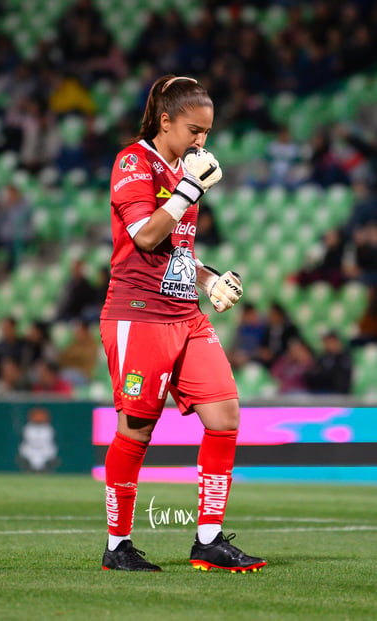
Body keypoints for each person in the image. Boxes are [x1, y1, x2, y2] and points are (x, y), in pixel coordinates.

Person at [99, 74, 266, 573]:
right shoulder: (134, 162)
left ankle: (209, 540)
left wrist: (209, 277)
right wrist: (190, 188)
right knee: (136, 431)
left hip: (184, 314)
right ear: (165, 120)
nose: (202, 142)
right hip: (139, 314)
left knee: (226, 416)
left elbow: (176, 248)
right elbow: (147, 238)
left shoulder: (185, 169)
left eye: (208, 133)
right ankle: (118, 546)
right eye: (195, 130)